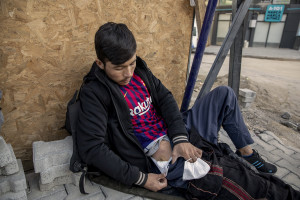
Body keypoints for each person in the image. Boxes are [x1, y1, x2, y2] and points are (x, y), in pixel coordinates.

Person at [76, 22, 299, 199]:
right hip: (159, 152)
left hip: (180, 131)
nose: (128, 74)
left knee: (224, 94)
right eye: (119, 68)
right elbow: (92, 148)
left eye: (131, 63)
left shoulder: (140, 71)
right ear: (100, 64)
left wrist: (181, 137)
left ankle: (248, 155)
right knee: (237, 181)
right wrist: (141, 178)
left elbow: (165, 99)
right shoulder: (95, 93)